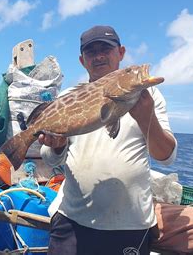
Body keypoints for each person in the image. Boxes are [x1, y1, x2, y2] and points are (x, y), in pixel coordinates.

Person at [39, 25, 178, 254]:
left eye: (106, 49)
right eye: (91, 52)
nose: (99, 56)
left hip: (129, 223)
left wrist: (147, 119)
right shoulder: (67, 98)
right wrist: (58, 145)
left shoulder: (148, 96)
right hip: (71, 218)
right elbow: (51, 160)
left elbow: (166, 157)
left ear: (120, 53)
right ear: (82, 61)